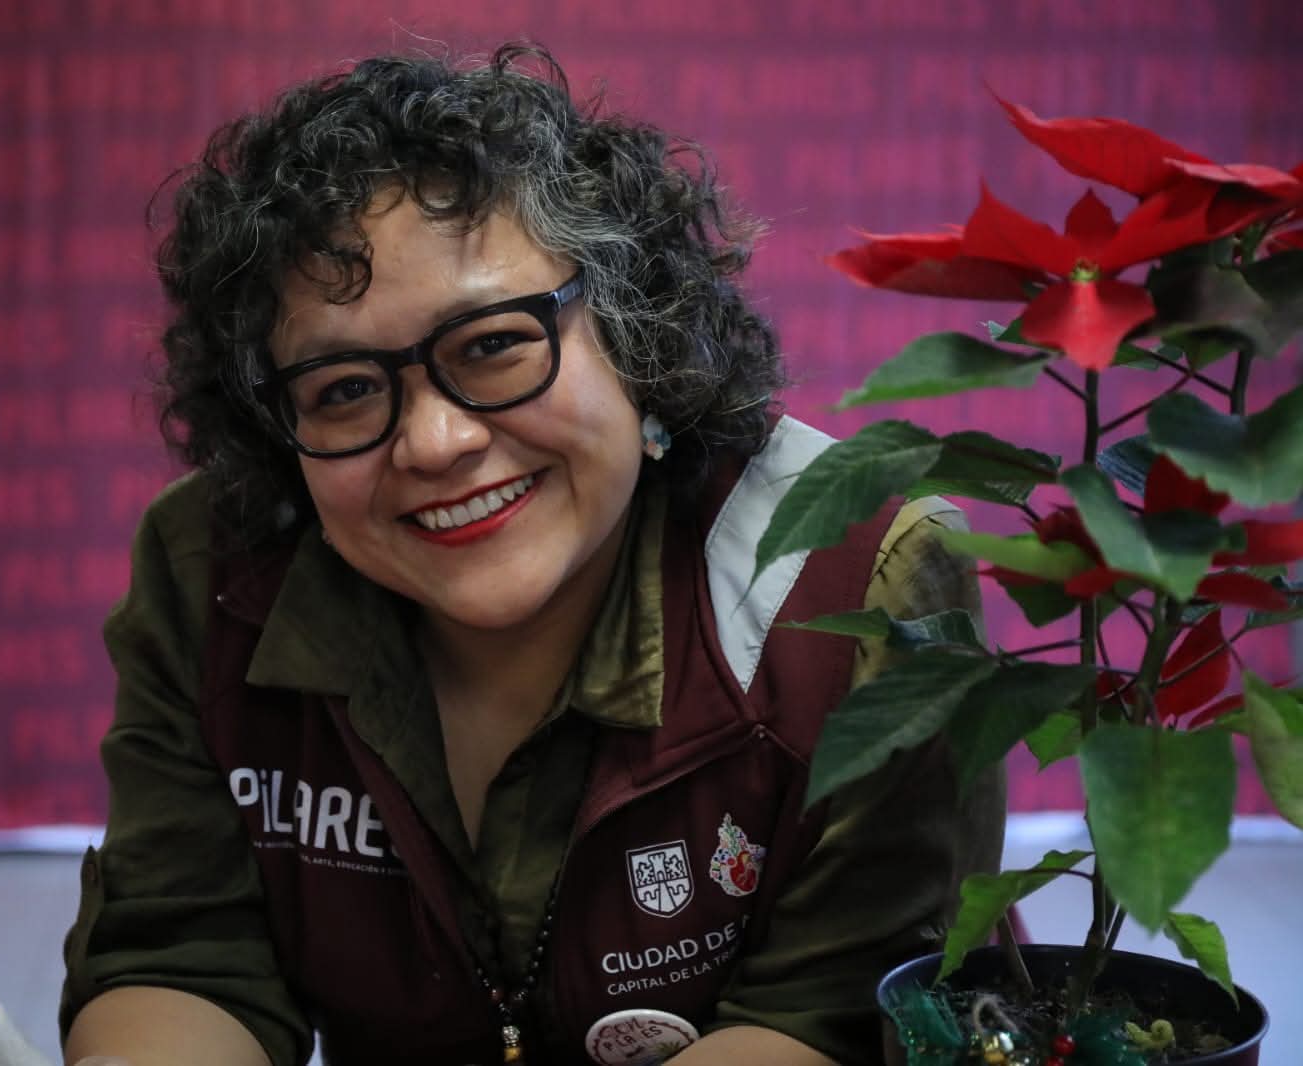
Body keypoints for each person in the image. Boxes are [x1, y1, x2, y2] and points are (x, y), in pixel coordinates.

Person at [59, 43, 1003, 1066]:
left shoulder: (855, 574)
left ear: (637, 331)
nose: (434, 442)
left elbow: (828, 1019)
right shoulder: (212, 569)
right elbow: (182, 957)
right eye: (345, 390)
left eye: (493, 344)